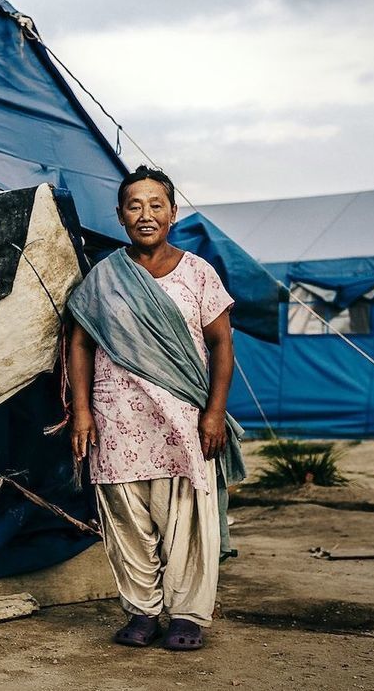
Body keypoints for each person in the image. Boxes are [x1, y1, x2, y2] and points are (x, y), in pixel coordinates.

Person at [66, 165, 235, 651]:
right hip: (116, 419)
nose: (146, 214)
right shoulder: (104, 277)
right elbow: (80, 344)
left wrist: (215, 412)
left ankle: (186, 615)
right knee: (125, 516)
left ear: (173, 213)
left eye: (156, 204)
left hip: (182, 419)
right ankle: (142, 611)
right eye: (135, 205)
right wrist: (82, 411)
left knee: (185, 515)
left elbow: (222, 346)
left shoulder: (198, 273)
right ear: (120, 216)